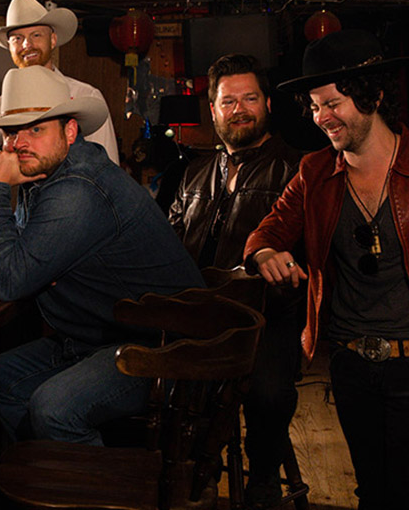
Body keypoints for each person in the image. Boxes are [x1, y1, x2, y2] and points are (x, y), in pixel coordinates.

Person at [0, 66, 204, 444]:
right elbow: (22, 257)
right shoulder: (49, 173)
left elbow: (10, 279)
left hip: (166, 347)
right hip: (103, 337)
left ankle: (98, 479)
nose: (19, 143)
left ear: (70, 131)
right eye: (11, 132)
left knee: (53, 408)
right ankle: (51, 471)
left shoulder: (78, 187)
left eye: (36, 129)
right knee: (1, 378)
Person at [245, 29, 409, 510]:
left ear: (373, 96)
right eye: (315, 107)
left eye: (333, 103)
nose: (322, 118)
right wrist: (266, 254)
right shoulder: (315, 172)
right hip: (351, 362)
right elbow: (266, 233)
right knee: (372, 493)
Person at [169, 53, 302, 508]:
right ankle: (191, 477)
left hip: (265, 317)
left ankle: (263, 479)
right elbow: (169, 243)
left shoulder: (296, 169)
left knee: (269, 393)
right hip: (198, 316)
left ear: (267, 104)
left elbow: (307, 252)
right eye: (229, 102)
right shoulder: (194, 173)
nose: (239, 110)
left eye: (250, 99)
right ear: (213, 110)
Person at [0, 0, 119, 189]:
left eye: (36, 35)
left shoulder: (85, 97)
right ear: (9, 46)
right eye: (17, 38)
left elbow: (109, 174)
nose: (27, 45)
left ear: (53, 40)